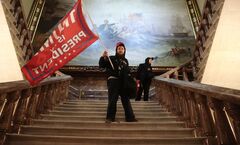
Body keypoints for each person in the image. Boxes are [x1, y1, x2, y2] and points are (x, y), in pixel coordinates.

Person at [99, 42, 137, 123]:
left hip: (124, 82)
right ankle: (110, 118)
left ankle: (130, 117)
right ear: (116, 50)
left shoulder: (126, 61)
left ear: (124, 50)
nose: (120, 50)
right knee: (112, 100)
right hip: (114, 81)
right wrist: (103, 57)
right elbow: (102, 66)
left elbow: (128, 72)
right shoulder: (111, 58)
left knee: (126, 100)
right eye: (119, 48)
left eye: (122, 49)